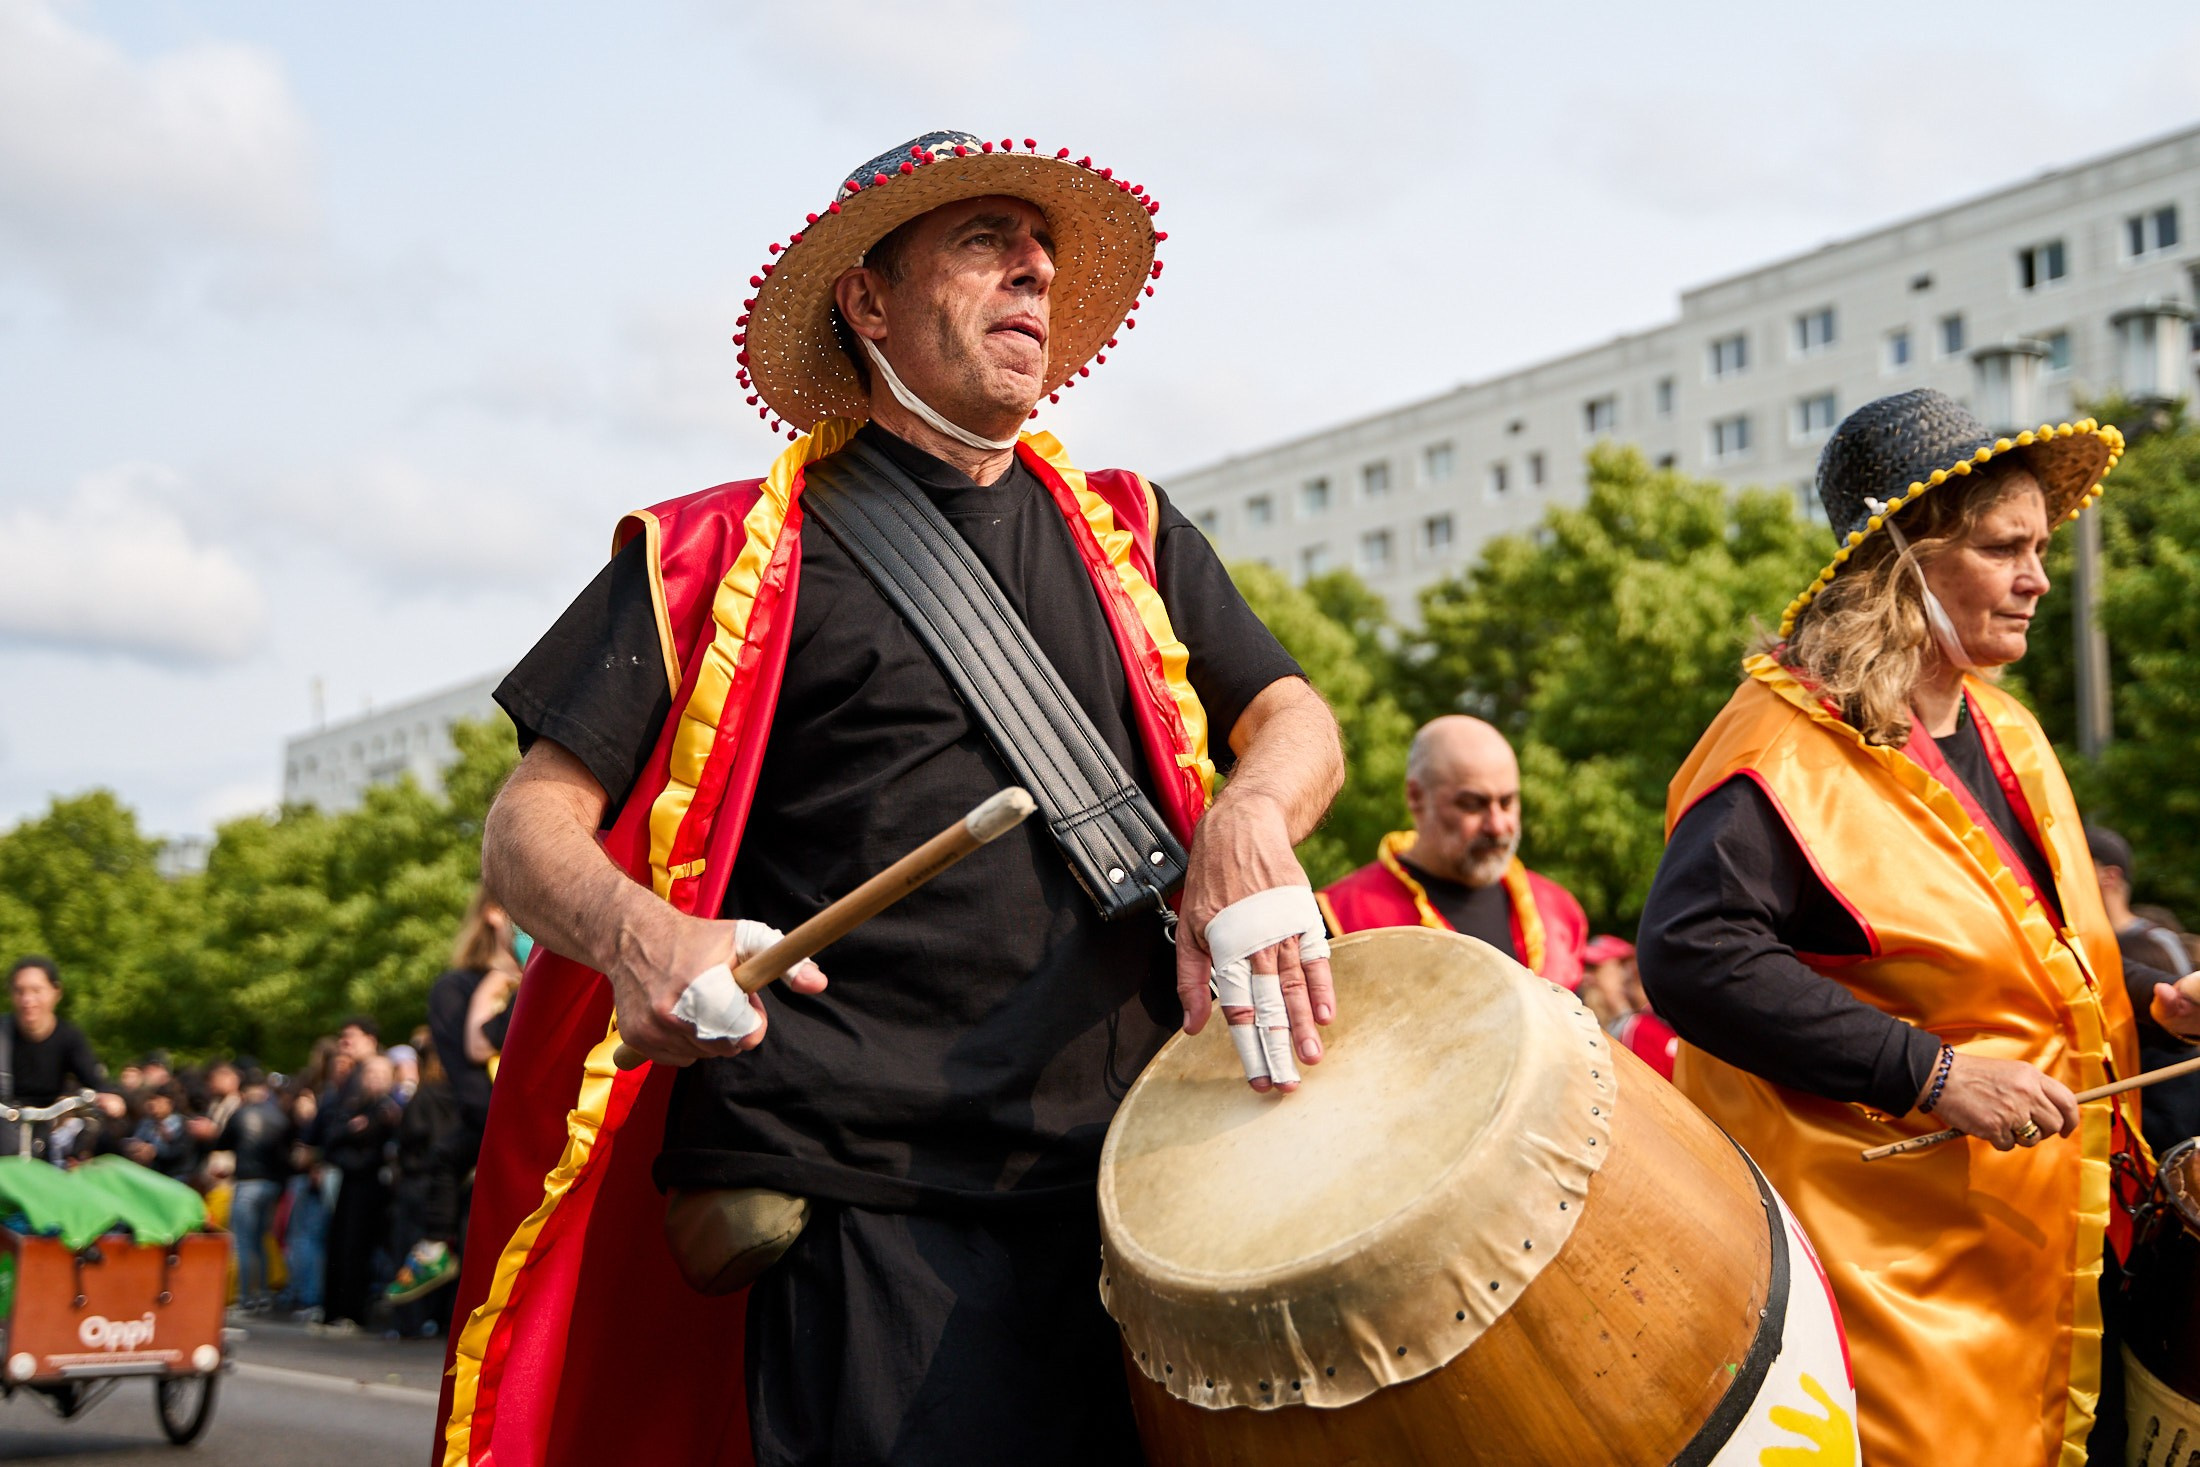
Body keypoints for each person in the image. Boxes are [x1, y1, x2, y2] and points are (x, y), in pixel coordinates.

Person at [440, 131, 1342, 1467]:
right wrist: (647, 936)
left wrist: (1250, 816)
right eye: (985, 240)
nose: (1033, 270)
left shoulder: (1133, 527)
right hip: (868, 1195)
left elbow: (1294, 718)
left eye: (1039, 252)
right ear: (867, 301)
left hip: (1146, 1172)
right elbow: (527, 826)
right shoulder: (719, 551)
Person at [1637, 389, 2190, 1466]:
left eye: (2039, 545)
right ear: (1902, 560)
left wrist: (2154, 1006)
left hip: (2044, 1247)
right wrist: (1931, 1073)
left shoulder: (2008, 727)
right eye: (2003, 547)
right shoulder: (1780, 747)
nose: (2038, 576)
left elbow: (2031, 954)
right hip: (1887, 1280)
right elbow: (1693, 953)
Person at [1318, 715, 1588, 989]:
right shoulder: (1342, 916)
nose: (1496, 825)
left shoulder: (1557, 912)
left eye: (1507, 803)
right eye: (1472, 804)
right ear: (1416, 797)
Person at [2088, 824, 2200, 1153]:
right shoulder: (2080, 943)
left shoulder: (2153, 942)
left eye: (2082, 865)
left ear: (2109, 876)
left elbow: (2175, 1050)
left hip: (2160, 1124)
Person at [1, 957, 121, 1159]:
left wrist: (108, 1097)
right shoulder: (2, 1032)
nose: (27, 1000)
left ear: (56, 992)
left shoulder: (69, 1037)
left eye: (36, 991)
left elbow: (95, 1080)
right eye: (19, 991)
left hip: (45, 1125)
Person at [216, 1068, 292, 1312]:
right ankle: (263, 1293)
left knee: (244, 1242)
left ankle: (246, 1295)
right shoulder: (280, 1116)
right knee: (262, 1240)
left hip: (247, 1182)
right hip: (271, 1184)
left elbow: (222, 1142)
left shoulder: (241, 1114)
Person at [1579, 935, 1677, 1080]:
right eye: (1586, 967)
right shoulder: (1576, 1012)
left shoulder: (1647, 1026)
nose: (1587, 975)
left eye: (1595, 968)